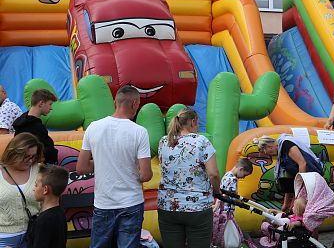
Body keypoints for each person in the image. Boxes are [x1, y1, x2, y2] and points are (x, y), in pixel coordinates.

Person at [76, 85, 152, 248]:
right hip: (131, 202)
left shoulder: (93, 127)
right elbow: (145, 175)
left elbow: (81, 167)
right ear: (134, 103)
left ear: (115, 102)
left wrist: (105, 162)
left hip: (104, 202)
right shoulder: (140, 132)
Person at [157, 108, 220, 248]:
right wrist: (217, 191)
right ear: (192, 122)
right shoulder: (201, 141)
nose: (198, 127)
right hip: (197, 207)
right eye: (197, 123)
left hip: (167, 205)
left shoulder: (164, 141)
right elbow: (213, 174)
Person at [254, 135, 323, 212]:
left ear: (269, 146)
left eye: (266, 152)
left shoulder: (286, 144)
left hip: (310, 178)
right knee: (292, 209)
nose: (269, 155)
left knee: (299, 207)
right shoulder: (281, 154)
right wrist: (286, 204)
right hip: (302, 179)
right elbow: (289, 178)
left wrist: (299, 190)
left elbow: (302, 163)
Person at [0, 133, 43, 247]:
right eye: (26, 156)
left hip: (33, 234)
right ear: (14, 153)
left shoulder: (39, 170)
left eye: (33, 156)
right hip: (3, 237)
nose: (30, 160)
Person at [28, 164, 69, 248]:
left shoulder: (44, 220)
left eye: (36, 185)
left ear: (45, 190)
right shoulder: (60, 213)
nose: (34, 188)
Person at [13, 89, 58, 164]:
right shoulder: (34, 127)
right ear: (41, 103)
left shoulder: (22, 123)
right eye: (50, 104)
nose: (51, 108)